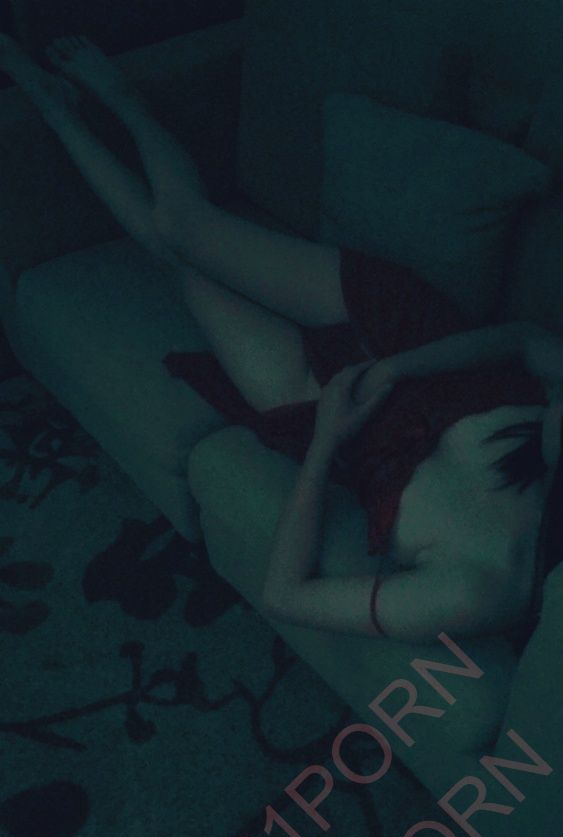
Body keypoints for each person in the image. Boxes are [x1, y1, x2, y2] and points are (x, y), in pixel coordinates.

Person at [1, 33, 562, 644]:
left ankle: (57, 109)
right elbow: (528, 338)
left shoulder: (480, 589)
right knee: (185, 227)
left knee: (175, 259)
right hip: (407, 331)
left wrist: (325, 439)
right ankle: (123, 101)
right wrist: (399, 368)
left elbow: (287, 595)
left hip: (330, 410)